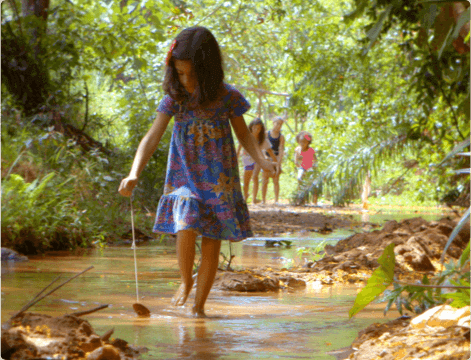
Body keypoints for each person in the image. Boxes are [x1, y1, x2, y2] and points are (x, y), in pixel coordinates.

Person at [118, 26, 276, 317]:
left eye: (192, 74)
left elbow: (244, 136)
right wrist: (134, 172)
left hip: (219, 179)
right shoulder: (175, 99)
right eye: (180, 74)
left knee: (212, 238)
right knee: (185, 222)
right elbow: (151, 137)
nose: (186, 81)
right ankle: (184, 280)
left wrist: (263, 160)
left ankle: (199, 309)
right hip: (184, 175)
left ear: (209, 69)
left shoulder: (228, 97)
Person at [237, 118, 277, 202]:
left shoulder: (262, 139)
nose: (256, 130)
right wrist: (235, 160)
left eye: (258, 128)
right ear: (251, 127)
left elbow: (271, 152)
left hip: (258, 160)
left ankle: (254, 199)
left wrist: (276, 165)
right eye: (254, 127)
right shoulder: (245, 137)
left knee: (255, 177)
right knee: (246, 181)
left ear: (261, 129)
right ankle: (246, 195)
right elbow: (238, 149)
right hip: (247, 160)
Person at [259, 116, 285, 205]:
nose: (278, 126)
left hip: (276, 158)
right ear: (273, 123)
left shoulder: (281, 137)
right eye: (277, 123)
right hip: (267, 158)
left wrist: (279, 162)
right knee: (265, 179)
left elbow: (281, 149)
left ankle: (276, 200)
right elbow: (262, 146)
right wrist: (264, 157)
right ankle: (263, 200)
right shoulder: (266, 134)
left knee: (276, 180)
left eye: (280, 124)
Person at [294, 131, 318, 205]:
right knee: (299, 179)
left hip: (310, 168)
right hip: (302, 167)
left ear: (308, 142)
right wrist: (298, 164)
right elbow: (296, 160)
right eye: (301, 142)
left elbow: (315, 160)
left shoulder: (311, 150)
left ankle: (315, 201)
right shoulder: (298, 149)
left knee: (313, 184)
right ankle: (300, 198)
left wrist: (314, 167)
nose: (302, 144)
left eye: (304, 142)